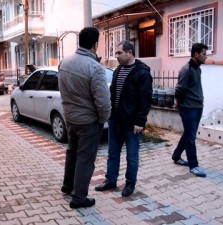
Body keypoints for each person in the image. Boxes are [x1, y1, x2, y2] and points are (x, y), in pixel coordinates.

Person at [58, 27, 111, 209]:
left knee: (72, 152)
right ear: (95, 44)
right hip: (88, 121)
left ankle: (68, 186)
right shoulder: (94, 67)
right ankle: (79, 198)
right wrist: (103, 119)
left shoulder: (65, 62)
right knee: (85, 159)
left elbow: (62, 91)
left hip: (70, 118)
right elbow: (103, 102)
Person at [95, 40, 152, 197]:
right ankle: (110, 180)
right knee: (113, 153)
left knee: (132, 156)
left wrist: (140, 122)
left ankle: (130, 184)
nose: (117, 56)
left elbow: (145, 100)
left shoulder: (142, 72)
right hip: (116, 121)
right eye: (116, 53)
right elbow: (113, 94)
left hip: (132, 124)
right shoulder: (118, 70)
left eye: (119, 53)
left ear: (130, 52)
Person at [172, 43, 208, 177]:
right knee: (191, 137)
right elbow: (179, 90)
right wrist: (179, 104)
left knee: (188, 134)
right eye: (204, 54)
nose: (206, 57)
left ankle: (176, 156)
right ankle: (194, 166)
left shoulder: (198, 69)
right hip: (188, 108)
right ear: (196, 54)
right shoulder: (186, 70)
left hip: (197, 107)